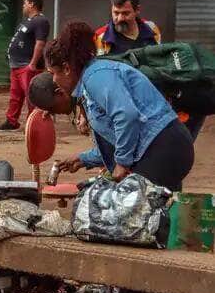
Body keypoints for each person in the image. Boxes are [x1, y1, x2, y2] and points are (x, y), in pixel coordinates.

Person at [27, 21, 194, 193]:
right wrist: (83, 159)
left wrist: (122, 163)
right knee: (152, 207)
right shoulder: (90, 82)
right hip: (160, 147)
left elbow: (126, 115)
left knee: (127, 206)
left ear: (67, 68)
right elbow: (118, 139)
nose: (54, 79)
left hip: (163, 146)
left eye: (53, 73)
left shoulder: (95, 76)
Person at [0, 0, 50, 131]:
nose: (23, 6)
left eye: (25, 3)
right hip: (16, 65)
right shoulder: (29, 21)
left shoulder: (41, 21)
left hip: (27, 66)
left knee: (32, 97)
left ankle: (34, 125)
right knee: (15, 96)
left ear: (32, 4)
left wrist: (32, 64)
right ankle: (11, 121)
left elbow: (40, 43)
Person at [93, 0, 161, 56]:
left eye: (125, 13)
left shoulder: (152, 28)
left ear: (137, 10)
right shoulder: (101, 37)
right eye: (116, 13)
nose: (120, 18)